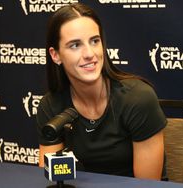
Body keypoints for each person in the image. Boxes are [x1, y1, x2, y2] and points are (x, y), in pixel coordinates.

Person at [36, 3, 167, 180]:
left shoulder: (138, 98)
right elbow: (50, 177)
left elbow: (147, 185)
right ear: (55, 55)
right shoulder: (50, 105)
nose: (89, 53)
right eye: (75, 45)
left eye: (94, 41)